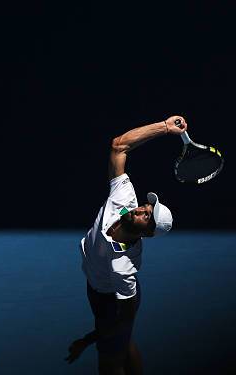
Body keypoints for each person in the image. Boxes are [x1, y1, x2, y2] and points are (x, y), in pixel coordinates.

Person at [66, 115, 188, 375]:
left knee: (110, 361)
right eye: (148, 205)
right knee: (123, 343)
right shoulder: (125, 198)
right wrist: (164, 128)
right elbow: (119, 145)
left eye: (148, 216)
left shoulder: (124, 268)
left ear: (147, 234)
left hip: (111, 300)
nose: (143, 208)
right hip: (97, 288)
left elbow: (124, 318)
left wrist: (89, 340)